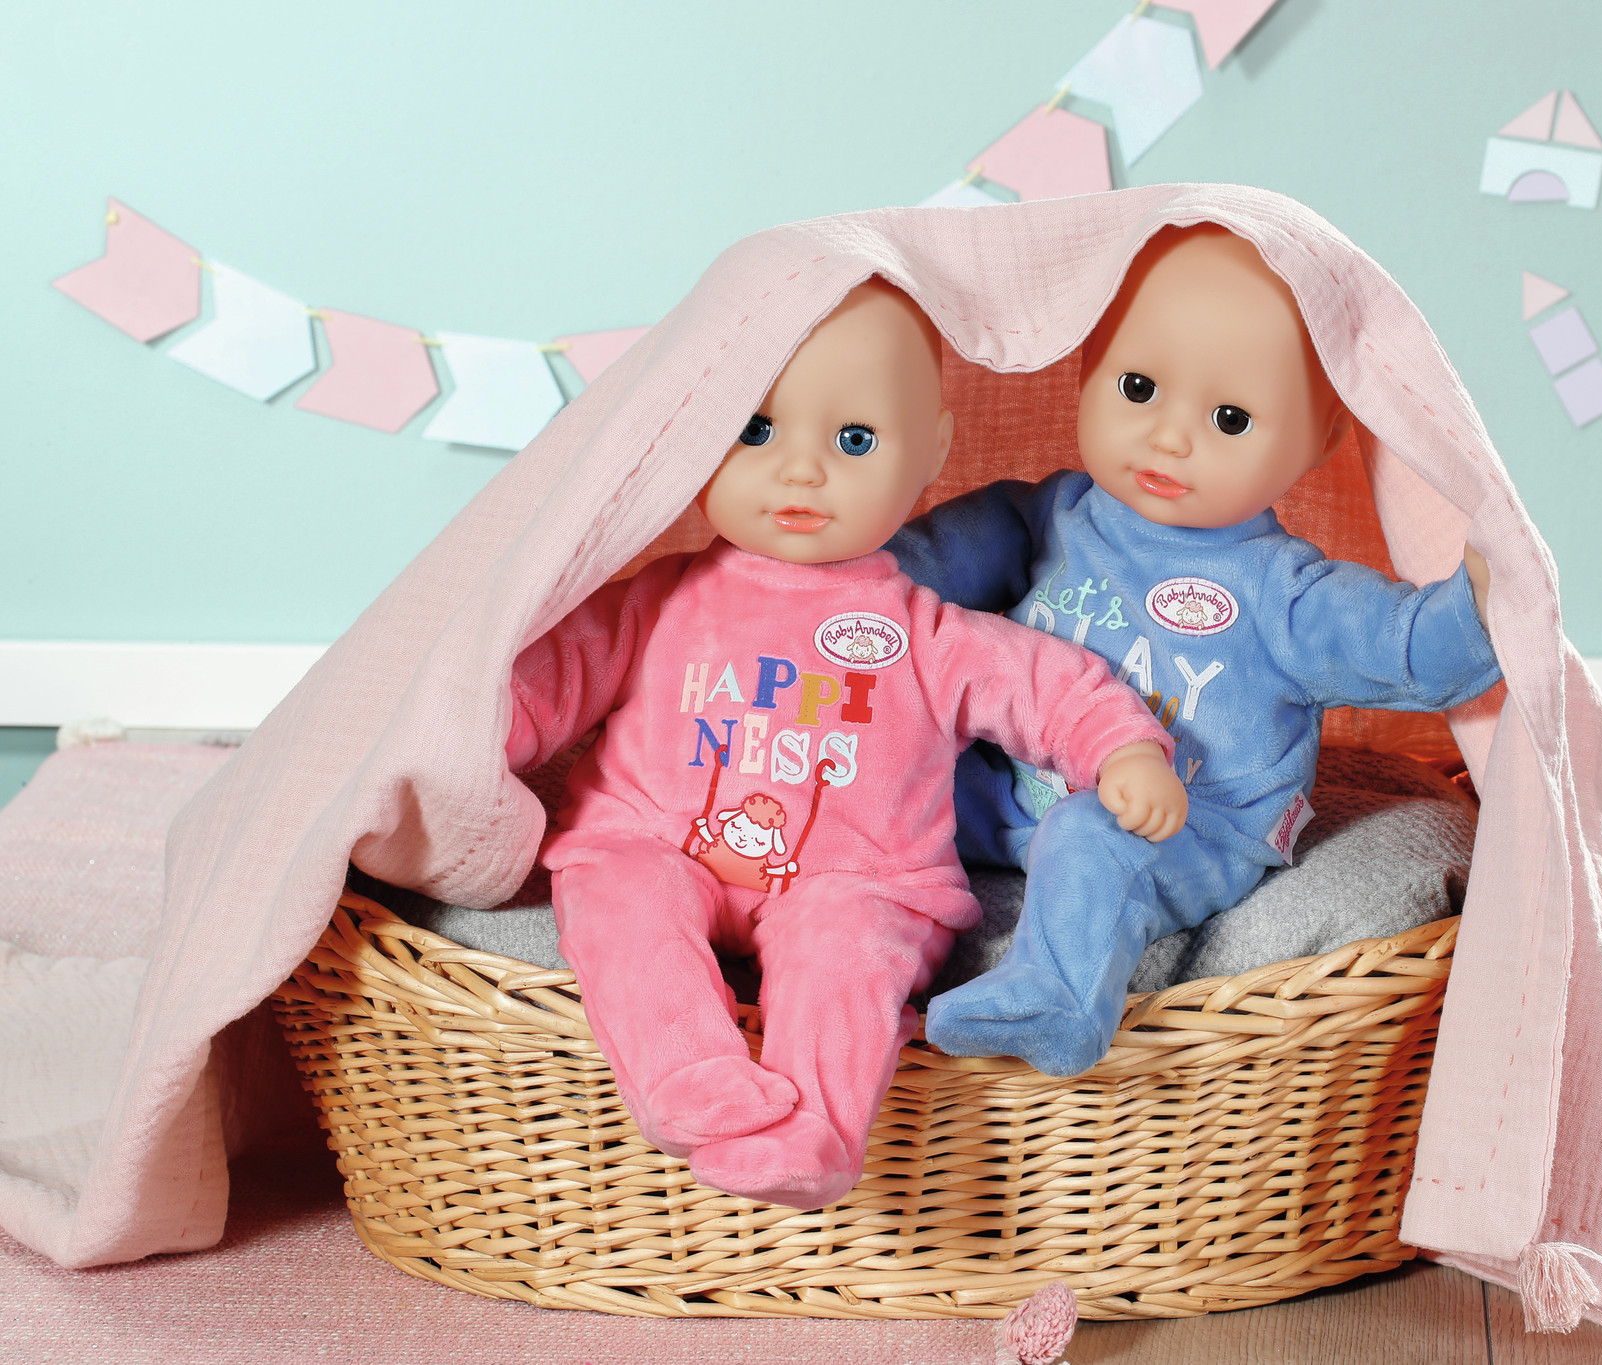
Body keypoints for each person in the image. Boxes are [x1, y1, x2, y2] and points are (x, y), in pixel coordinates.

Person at [505, 281, 1186, 1208]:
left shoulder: (923, 630)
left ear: (931, 453)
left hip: (856, 875)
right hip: (652, 836)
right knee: (619, 900)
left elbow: (1047, 683)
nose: (800, 472)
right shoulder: (662, 598)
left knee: (849, 956)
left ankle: (813, 1131)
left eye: (854, 440)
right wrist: (479, 734)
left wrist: (1123, 750)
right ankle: (684, 1075)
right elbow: (554, 671)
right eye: (756, 431)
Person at [887, 225, 1503, 1078]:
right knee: (887, 770)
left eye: (1230, 418)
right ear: (1086, 370)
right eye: (1138, 387)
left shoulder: (1280, 591)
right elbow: (926, 568)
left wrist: (1481, 599)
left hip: (1187, 821)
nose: (1172, 437)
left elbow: (1404, 648)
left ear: (1320, 440)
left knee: (1092, 839)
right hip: (1015, 785)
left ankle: (1057, 997)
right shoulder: (1052, 514)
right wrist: (853, 585)